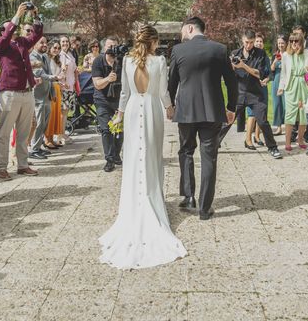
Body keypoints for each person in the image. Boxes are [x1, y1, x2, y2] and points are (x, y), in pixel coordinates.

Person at [99, 25, 187, 269]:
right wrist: (169, 107)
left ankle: (134, 203)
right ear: (153, 42)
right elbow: (162, 91)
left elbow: (125, 94)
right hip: (150, 109)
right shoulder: (159, 61)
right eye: (157, 41)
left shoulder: (127, 61)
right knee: (151, 156)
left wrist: (119, 115)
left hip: (134, 109)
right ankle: (151, 199)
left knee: (133, 157)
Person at [168, 17, 238, 220]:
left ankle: (189, 196)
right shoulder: (220, 49)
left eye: (183, 31)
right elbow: (231, 82)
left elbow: (172, 81)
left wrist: (170, 105)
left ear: (189, 28)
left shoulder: (178, 51)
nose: (182, 36)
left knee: (186, 151)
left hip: (186, 111)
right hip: (212, 111)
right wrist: (231, 107)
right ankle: (205, 208)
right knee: (209, 158)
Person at [0, 3, 43, 180]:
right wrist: (16, 16)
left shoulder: (21, 42)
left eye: (13, 27)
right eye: (9, 28)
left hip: (26, 91)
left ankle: (22, 165)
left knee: (23, 131)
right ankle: (1, 167)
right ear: (2, 31)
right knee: (4, 132)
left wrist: (35, 15)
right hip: (9, 93)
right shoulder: (0, 43)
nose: (13, 29)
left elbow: (37, 35)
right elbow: (5, 38)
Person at [218, 29, 282, 159]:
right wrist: (231, 67)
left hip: (256, 94)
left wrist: (243, 66)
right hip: (239, 93)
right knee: (227, 120)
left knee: (263, 121)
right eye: (247, 42)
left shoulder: (261, 54)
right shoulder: (235, 53)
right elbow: (228, 75)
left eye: (251, 42)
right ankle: (213, 144)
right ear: (242, 40)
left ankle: (273, 148)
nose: (249, 45)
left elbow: (261, 74)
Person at [92, 36, 124, 172]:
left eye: (114, 46)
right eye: (109, 46)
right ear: (104, 48)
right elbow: (97, 84)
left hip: (119, 100)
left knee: (119, 129)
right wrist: (108, 79)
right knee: (106, 129)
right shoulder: (98, 61)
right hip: (102, 100)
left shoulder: (122, 60)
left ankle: (116, 154)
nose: (112, 49)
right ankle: (109, 159)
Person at [278, 31, 308, 151]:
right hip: (291, 86)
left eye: (296, 41)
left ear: (301, 41)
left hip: (304, 85)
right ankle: (287, 142)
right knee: (290, 113)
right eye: (291, 41)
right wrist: (281, 87)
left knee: (304, 113)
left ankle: (300, 139)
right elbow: (283, 73)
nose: (294, 43)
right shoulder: (285, 55)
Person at [29, 36, 57, 159]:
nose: (45, 45)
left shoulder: (45, 57)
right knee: (39, 123)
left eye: (46, 42)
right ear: (35, 44)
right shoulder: (32, 57)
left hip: (46, 95)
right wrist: (55, 77)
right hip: (37, 96)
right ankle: (34, 149)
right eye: (41, 43)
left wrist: (52, 92)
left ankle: (38, 147)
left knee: (44, 123)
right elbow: (39, 74)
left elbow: (49, 73)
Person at [244, 33, 266, 146]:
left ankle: (257, 136)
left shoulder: (263, 55)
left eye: (260, 41)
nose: (258, 43)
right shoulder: (249, 55)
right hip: (251, 88)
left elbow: (268, 71)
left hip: (263, 87)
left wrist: (266, 79)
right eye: (256, 41)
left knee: (261, 113)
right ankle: (248, 139)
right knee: (252, 114)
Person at [45, 39, 65, 149]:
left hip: (57, 88)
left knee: (56, 114)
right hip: (50, 87)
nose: (56, 50)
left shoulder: (57, 60)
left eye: (58, 48)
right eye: (55, 47)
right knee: (50, 114)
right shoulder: (46, 59)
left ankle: (52, 138)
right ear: (50, 47)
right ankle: (47, 139)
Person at [59, 36, 77, 142]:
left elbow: (73, 69)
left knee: (65, 112)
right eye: (63, 41)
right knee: (63, 111)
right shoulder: (60, 55)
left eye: (66, 41)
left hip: (71, 87)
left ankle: (62, 132)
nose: (65, 43)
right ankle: (60, 134)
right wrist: (62, 84)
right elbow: (60, 71)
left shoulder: (70, 55)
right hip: (64, 87)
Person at [270, 35, 286, 135]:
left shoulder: (290, 54)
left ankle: (290, 128)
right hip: (276, 79)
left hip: (286, 80)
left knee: (286, 104)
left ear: (286, 43)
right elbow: (271, 69)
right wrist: (275, 62)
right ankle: (279, 127)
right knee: (277, 104)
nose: (280, 45)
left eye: (282, 43)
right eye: (279, 43)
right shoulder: (275, 55)